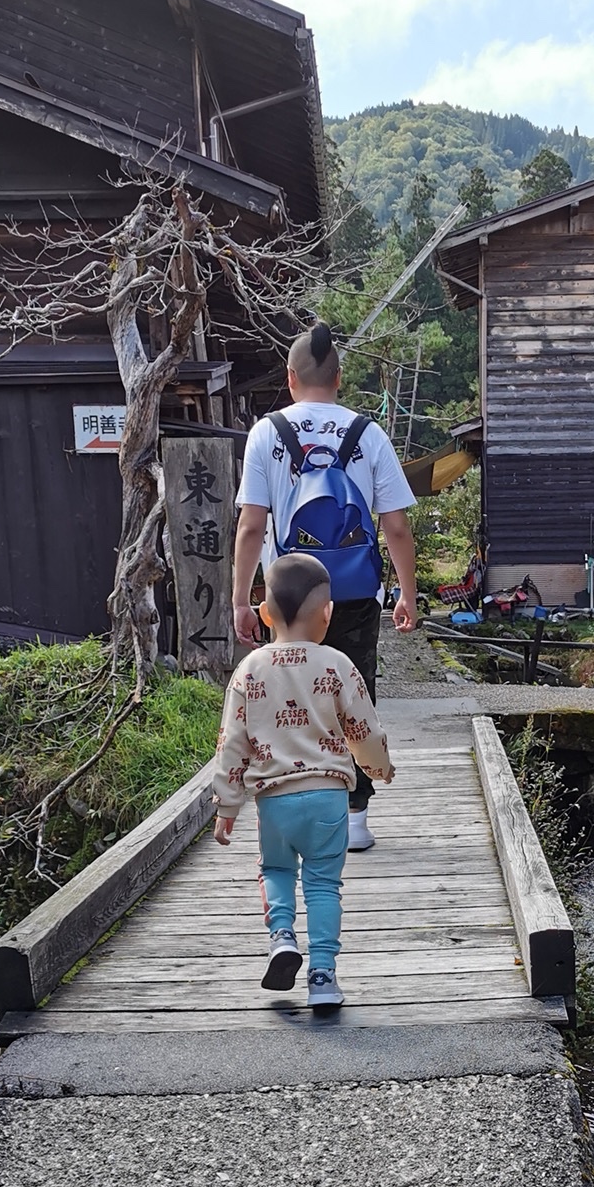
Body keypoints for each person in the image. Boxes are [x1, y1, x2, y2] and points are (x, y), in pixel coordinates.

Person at [232, 322, 417, 856]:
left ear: (291, 378)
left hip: (287, 594)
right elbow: (397, 527)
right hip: (354, 592)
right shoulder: (369, 433)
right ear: (339, 377)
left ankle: (293, 810)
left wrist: (243, 599)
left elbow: (250, 526)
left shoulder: (266, 434)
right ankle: (354, 817)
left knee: (286, 696)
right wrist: (407, 594)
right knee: (353, 694)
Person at [212, 552, 394, 1011]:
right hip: (329, 798)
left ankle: (282, 938)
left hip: (274, 802)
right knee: (322, 886)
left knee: (275, 870)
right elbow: (363, 730)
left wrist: (227, 806)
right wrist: (378, 768)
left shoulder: (250, 669)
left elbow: (232, 742)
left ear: (265, 613)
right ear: (328, 614)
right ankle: (323, 976)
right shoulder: (337, 665)